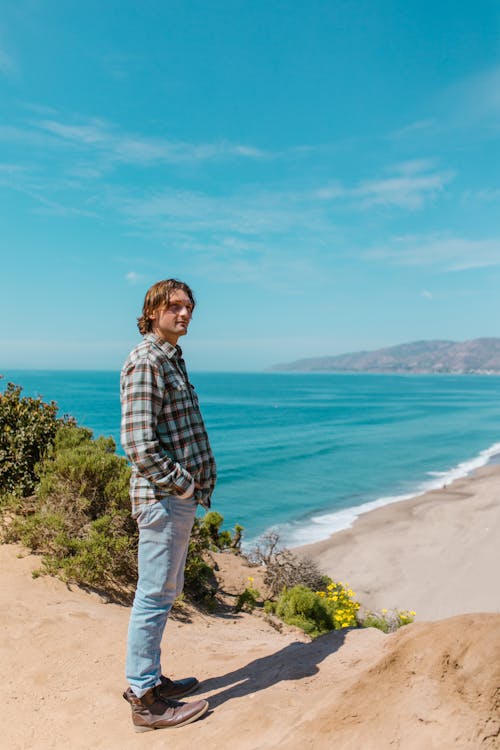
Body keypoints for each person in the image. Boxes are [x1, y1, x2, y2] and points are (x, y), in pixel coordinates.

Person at [120, 278, 216, 732]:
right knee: (154, 595)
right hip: (162, 500)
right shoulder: (146, 362)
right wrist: (181, 485)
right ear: (153, 310)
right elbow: (138, 444)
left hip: (174, 499)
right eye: (174, 306)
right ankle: (143, 699)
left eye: (188, 307)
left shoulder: (171, 358)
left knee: (164, 591)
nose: (184, 314)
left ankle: (152, 680)